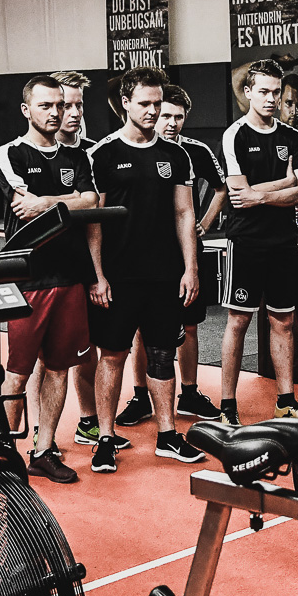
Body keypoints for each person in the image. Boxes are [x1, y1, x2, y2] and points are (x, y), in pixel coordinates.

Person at [86, 66, 205, 472]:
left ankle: (168, 434)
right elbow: (94, 221)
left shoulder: (176, 154)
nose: (154, 111)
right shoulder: (102, 155)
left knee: (161, 353)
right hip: (118, 277)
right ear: (125, 104)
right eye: (145, 104)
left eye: (158, 103)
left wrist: (190, 268)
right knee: (113, 355)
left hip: (164, 275)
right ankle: (105, 438)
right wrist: (97, 275)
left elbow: (184, 213)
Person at [0, 75, 99, 483]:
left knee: (58, 367)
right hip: (28, 279)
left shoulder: (78, 157)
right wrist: (65, 204)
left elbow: (90, 200)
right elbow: (24, 207)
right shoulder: (11, 153)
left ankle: (44, 448)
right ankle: (2, 454)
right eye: (45, 106)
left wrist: (50, 202)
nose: (56, 113)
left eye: (60, 105)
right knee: (17, 372)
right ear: (27, 110)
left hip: (69, 277)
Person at [116, 84, 225, 425]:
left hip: (186, 253)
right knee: (140, 330)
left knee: (189, 326)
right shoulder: (131, 149)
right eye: (166, 115)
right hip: (144, 255)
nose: (172, 122)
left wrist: (204, 224)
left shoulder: (194, 151)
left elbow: (222, 189)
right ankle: (140, 396)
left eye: (179, 117)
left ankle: (189, 394)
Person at [218, 59, 298, 425]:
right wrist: (281, 185)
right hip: (247, 243)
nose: (271, 99)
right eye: (265, 92)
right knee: (238, 322)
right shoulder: (234, 135)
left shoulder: (292, 137)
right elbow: (238, 193)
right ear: (249, 92)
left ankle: (285, 401)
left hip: (284, 242)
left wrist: (262, 195)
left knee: (283, 322)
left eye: (276, 93)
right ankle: (227, 406)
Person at [51, 70, 103, 446]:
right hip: (49, 269)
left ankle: (89, 420)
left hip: (90, 261)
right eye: (64, 105)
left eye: (78, 105)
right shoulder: (31, 151)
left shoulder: (94, 151)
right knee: (44, 356)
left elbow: (95, 213)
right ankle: (37, 428)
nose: (71, 113)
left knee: (92, 346)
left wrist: (98, 271)